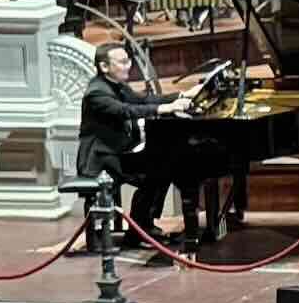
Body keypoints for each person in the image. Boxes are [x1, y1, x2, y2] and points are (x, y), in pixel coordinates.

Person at [75, 42, 207, 255]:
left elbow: (144, 100)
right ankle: (138, 231)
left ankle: (142, 226)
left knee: (164, 170)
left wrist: (182, 96)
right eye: (122, 62)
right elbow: (125, 110)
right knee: (154, 174)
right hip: (99, 158)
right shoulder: (97, 93)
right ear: (104, 66)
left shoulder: (116, 85)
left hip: (115, 151)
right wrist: (165, 108)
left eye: (128, 60)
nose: (128, 65)